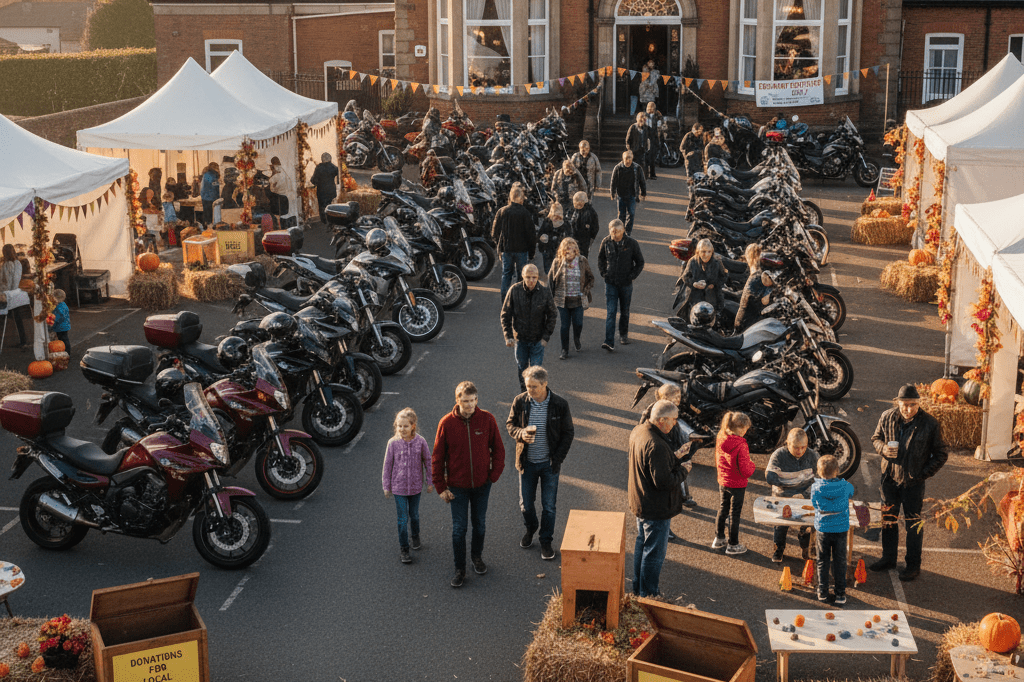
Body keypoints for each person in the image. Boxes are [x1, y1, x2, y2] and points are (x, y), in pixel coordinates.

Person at [869, 384, 948, 582]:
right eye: (905, 404)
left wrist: (922, 474)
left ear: (919, 403)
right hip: (889, 479)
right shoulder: (887, 416)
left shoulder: (930, 424)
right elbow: (876, 438)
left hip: (913, 482)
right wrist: (883, 450)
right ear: (898, 403)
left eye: (913, 405)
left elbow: (941, 453)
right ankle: (888, 559)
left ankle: (913, 565)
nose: (909, 409)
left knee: (913, 525)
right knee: (888, 521)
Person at [432, 381, 505, 588]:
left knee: (479, 525)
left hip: (483, 484)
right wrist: (441, 487)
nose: (470, 405)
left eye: (473, 401)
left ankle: (476, 558)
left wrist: (493, 476)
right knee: (459, 529)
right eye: (465, 401)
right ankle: (459, 569)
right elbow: (437, 458)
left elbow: (498, 450)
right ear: (457, 401)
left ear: (477, 399)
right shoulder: (446, 423)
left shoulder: (487, 419)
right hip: (456, 487)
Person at [506, 365, 574, 560]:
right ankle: (531, 527)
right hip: (526, 463)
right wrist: (521, 434)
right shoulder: (520, 401)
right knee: (525, 505)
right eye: (528, 386)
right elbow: (510, 425)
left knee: (549, 506)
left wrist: (558, 459)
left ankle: (546, 541)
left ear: (545, 384)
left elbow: (568, 432)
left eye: (534, 386)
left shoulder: (560, 404)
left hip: (549, 465)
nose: (530, 390)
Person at [628, 399, 691, 597]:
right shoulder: (657, 445)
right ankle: (649, 594)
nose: (675, 424)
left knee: (642, 544)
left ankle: (638, 589)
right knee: (654, 553)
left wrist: (675, 456)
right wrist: (683, 470)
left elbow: (653, 465)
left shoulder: (639, 431)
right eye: (673, 420)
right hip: (656, 508)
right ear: (662, 420)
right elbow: (664, 481)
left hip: (640, 501)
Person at [382, 408, 433, 564]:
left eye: (405, 426)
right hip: (399, 488)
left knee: (414, 516)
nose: (402, 429)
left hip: (416, 487)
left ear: (413, 426)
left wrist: (430, 481)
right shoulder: (392, 443)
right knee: (402, 519)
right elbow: (387, 465)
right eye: (399, 426)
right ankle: (404, 548)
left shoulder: (421, 442)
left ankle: (415, 535)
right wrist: (386, 485)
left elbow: (428, 462)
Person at [640, 383, 697, 511]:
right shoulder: (654, 411)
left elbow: (681, 424)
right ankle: (678, 499)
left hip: (675, 448)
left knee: (680, 472)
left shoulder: (672, 409)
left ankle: (684, 496)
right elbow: (643, 428)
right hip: (664, 449)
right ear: (663, 398)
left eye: (678, 397)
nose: (678, 400)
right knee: (667, 479)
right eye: (674, 397)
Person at [765, 428, 819, 563]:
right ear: (787, 444)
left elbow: (821, 475)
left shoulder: (812, 455)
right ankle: (779, 548)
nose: (800, 451)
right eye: (795, 447)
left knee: (809, 522)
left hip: (805, 492)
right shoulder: (778, 455)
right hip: (784, 493)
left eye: (803, 447)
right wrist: (786, 484)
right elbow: (770, 477)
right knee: (781, 523)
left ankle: (806, 547)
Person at [501, 264, 557, 391]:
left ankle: (534, 394)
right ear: (523, 276)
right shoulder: (514, 291)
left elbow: (552, 314)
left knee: (536, 371)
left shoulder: (544, 292)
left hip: (538, 340)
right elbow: (505, 314)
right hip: (520, 340)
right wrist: (508, 336)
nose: (531, 280)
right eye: (528, 277)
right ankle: (524, 394)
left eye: (534, 277)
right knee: (522, 369)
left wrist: (546, 337)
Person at [811, 455, 855, 604]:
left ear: (819, 472)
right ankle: (840, 594)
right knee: (840, 561)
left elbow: (815, 504)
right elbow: (852, 492)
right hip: (841, 528)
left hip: (823, 528)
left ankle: (822, 592)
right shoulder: (845, 485)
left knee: (822, 560)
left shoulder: (816, 487)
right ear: (837, 470)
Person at [597, 219, 644, 351]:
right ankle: (609, 341)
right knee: (611, 312)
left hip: (626, 284)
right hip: (610, 283)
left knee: (624, 311)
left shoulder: (632, 243)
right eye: (613, 231)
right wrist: (603, 273)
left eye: (617, 231)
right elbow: (601, 258)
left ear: (623, 230)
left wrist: (632, 276)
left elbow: (640, 262)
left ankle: (623, 334)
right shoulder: (606, 242)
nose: (615, 234)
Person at [712, 411, 755, 555]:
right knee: (735, 513)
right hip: (738, 483)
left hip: (724, 480)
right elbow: (745, 470)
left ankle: (719, 537)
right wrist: (752, 466)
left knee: (723, 508)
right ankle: (733, 544)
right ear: (742, 429)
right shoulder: (741, 445)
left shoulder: (721, 436)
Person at [547, 238, 594, 360]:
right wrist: (549, 300)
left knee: (578, 323)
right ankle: (564, 350)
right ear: (562, 251)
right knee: (564, 326)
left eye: (571, 249)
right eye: (566, 249)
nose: (569, 252)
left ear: (576, 250)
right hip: (562, 301)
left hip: (578, 300)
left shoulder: (582, 261)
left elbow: (591, 278)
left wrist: (585, 290)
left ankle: (577, 338)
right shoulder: (557, 262)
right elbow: (550, 281)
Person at [492, 184, 537, 302]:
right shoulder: (525, 213)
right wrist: (532, 253)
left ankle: (505, 301)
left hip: (506, 249)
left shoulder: (502, 211)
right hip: (522, 250)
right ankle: (519, 300)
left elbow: (494, 232)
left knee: (506, 275)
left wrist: (499, 244)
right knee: (521, 276)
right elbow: (531, 235)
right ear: (522, 198)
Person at [676, 238, 725, 320]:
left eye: (709, 252)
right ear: (698, 252)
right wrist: (694, 284)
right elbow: (685, 276)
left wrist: (713, 284)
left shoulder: (717, 262)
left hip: (711, 296)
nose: (706, 255)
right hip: (695, 296)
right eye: (703, 252)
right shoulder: (692, 261)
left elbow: (723, 277)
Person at [734, 243, 773, 332]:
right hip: (751, 322)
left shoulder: (755, 278)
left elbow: (745, 306)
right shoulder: (762, 275)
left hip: (745, 324)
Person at [608, 150, 646, 236]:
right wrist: (612, 192)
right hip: (621, 195)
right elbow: (613, 181)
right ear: (623, 159)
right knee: (621, 215)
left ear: (632, 159)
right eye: (626, 159)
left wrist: (643, 193)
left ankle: (627, 232)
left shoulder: (637, 168)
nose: (628, 161)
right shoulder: (618, 168)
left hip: (632, 195)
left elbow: (642, 181)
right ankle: (620, 230)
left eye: (630, 159)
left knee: (631, 214)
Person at [0, 244, 27, 348]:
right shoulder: (17, 263)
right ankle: (23, 340)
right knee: (18, 317)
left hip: (7, 294)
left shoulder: (7, 265)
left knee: (9, 316)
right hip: (15, 293)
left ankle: (21, 340)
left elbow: (8, 282)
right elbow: (15, 280)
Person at [567, 191, 600, 260]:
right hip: (573, 239)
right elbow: (568, 221)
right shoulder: (574, 210)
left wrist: (590, 240)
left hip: (584, 241)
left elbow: (595, 228)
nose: (577, 205)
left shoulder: (590, 213)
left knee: (582, 260)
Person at [310, 152, 340, 224]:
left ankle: (324, 222)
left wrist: (316, 183)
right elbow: (339, 179)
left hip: (321, 191)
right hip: (331, 190)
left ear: (322, 159)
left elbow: (313, 180)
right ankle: (331, 220)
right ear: (330, 159)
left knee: (322, 206)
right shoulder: (334, 167)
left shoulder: (318, 167)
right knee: (331, 205)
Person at [536, 202, 565, 274]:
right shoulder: (564, 223)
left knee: (550, 271)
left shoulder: (547, 221)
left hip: (551, 250)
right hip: (553, 250)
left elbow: (540, 235)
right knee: (554, 271)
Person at [625, 112, 650, 180]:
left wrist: (647, 148)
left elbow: (647, 139)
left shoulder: (645, 128)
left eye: (643, 119)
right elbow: (628, 140)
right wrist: (629, 150)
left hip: (642, 150)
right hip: (634, 150)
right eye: (640, 119)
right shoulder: (633, 127)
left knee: (642, 165)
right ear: (637, 119)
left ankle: (642, 179)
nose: (642, 120)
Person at [644, 102, 663, 180]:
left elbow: (660, 124)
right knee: (647, 156)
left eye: (652, 107)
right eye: (650, 107)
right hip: (647, 138)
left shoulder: (657, 115)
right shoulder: (644, 116)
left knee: (653, 156)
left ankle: (652, 173)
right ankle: (646, 174)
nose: (651, 109)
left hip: (654, 138)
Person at [199, 162, 220, 227]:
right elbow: (214, 185)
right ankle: (210, 230)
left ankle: (207, 228)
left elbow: (203, 187)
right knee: (211, 217)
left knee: (207, 215)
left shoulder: (206, 174)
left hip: (206, 198)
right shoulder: (212, 175)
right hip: (211, 198)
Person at [50, 289, 70, 353]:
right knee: (65, 339)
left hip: (60, 327)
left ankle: (67, 352)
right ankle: (66, 351)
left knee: (63, 340)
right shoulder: (63, 304)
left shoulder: (59, 307)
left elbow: (57, 318)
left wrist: (52, 324)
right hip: (65, 326)